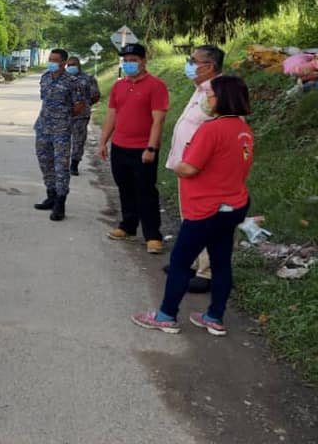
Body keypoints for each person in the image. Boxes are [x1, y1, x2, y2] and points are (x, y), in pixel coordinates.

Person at [132, 76, 254, 336]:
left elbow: (189, 168)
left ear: (223, 98)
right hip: (233, 205)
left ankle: (166, 315)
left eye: (211, 96)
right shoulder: (242, 129)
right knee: (221, 263)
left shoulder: (212, 129)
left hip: (206, 208)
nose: (207, 100)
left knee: (179, 262)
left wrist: (176, 163)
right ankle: (214, 317)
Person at [99, 43, 170, 254]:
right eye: (126, 60)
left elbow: (158, 120)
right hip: (120, 146)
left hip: (142, 149)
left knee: (146, 191)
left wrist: (151, 148)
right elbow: (112, 115)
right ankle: (128, 226)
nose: (129, 64)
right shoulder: (118, 86)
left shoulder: (156, 86)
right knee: (125, 188)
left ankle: (153, 236)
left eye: (134, 60)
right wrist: (103, 141)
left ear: (143, 61)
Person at [166, 45, 225, 293]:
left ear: (209, 67)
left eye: (193, 61)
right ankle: (191, 263)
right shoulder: (201, 89)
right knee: (190, 218)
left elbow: (224, 131)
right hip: (187, 166)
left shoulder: (219, 92)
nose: (189, 64)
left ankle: (207, 272)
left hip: (203, 169)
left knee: (204, 220)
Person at [34, 48, 82, 221]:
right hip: (43, 127)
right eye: (50, 59)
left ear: (63, 62)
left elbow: (78, 107)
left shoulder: (73, 82)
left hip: (61, 130)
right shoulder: (45, 77)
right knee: (45, 162)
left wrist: (63, 118)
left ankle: (60, 203)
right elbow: (44, 100)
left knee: (61, 166)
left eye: (55, 60)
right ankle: (51, 195)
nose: (51, 62)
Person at [66, 56, 100, 175]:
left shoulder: (88, 78)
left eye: (74, 64)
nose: (71, 67)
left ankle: (74, 164)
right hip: (64, 116)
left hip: (81, 115)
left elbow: (95, 95)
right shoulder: (62, 78)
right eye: (69, 65)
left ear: (79, 65)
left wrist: (85, 104)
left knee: (78, 141)